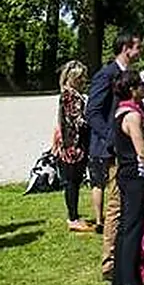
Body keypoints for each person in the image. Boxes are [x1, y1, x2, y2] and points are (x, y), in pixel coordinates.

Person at [87, 34, 143, 280]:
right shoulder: (106, 74)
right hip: (113, 151)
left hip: (128, 150)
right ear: (125, 49)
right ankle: (110, 263)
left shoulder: (127, 74)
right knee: (116, 207)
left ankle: (125, 253)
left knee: (127, 204)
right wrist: (112, 137)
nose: (140, 51)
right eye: (137, 47)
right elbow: (93, 111)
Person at [111, 68, 144, 285]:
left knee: (125, 229)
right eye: (141, 85)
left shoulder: (120, 112)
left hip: (125, 175)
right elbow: (143, 153)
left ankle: (119, 280)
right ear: (132, 89)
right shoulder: (133, 116)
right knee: (133, 231)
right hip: (135, 176)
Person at [56, 61, 93, 232]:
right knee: (72, 182)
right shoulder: (70, 96)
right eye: (79, 78)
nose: (83, 81)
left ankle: (75, 215)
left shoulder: (70, 94)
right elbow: (77, 120)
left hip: (74, 144)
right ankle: (72, 218)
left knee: (74, 182)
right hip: (73, 145)